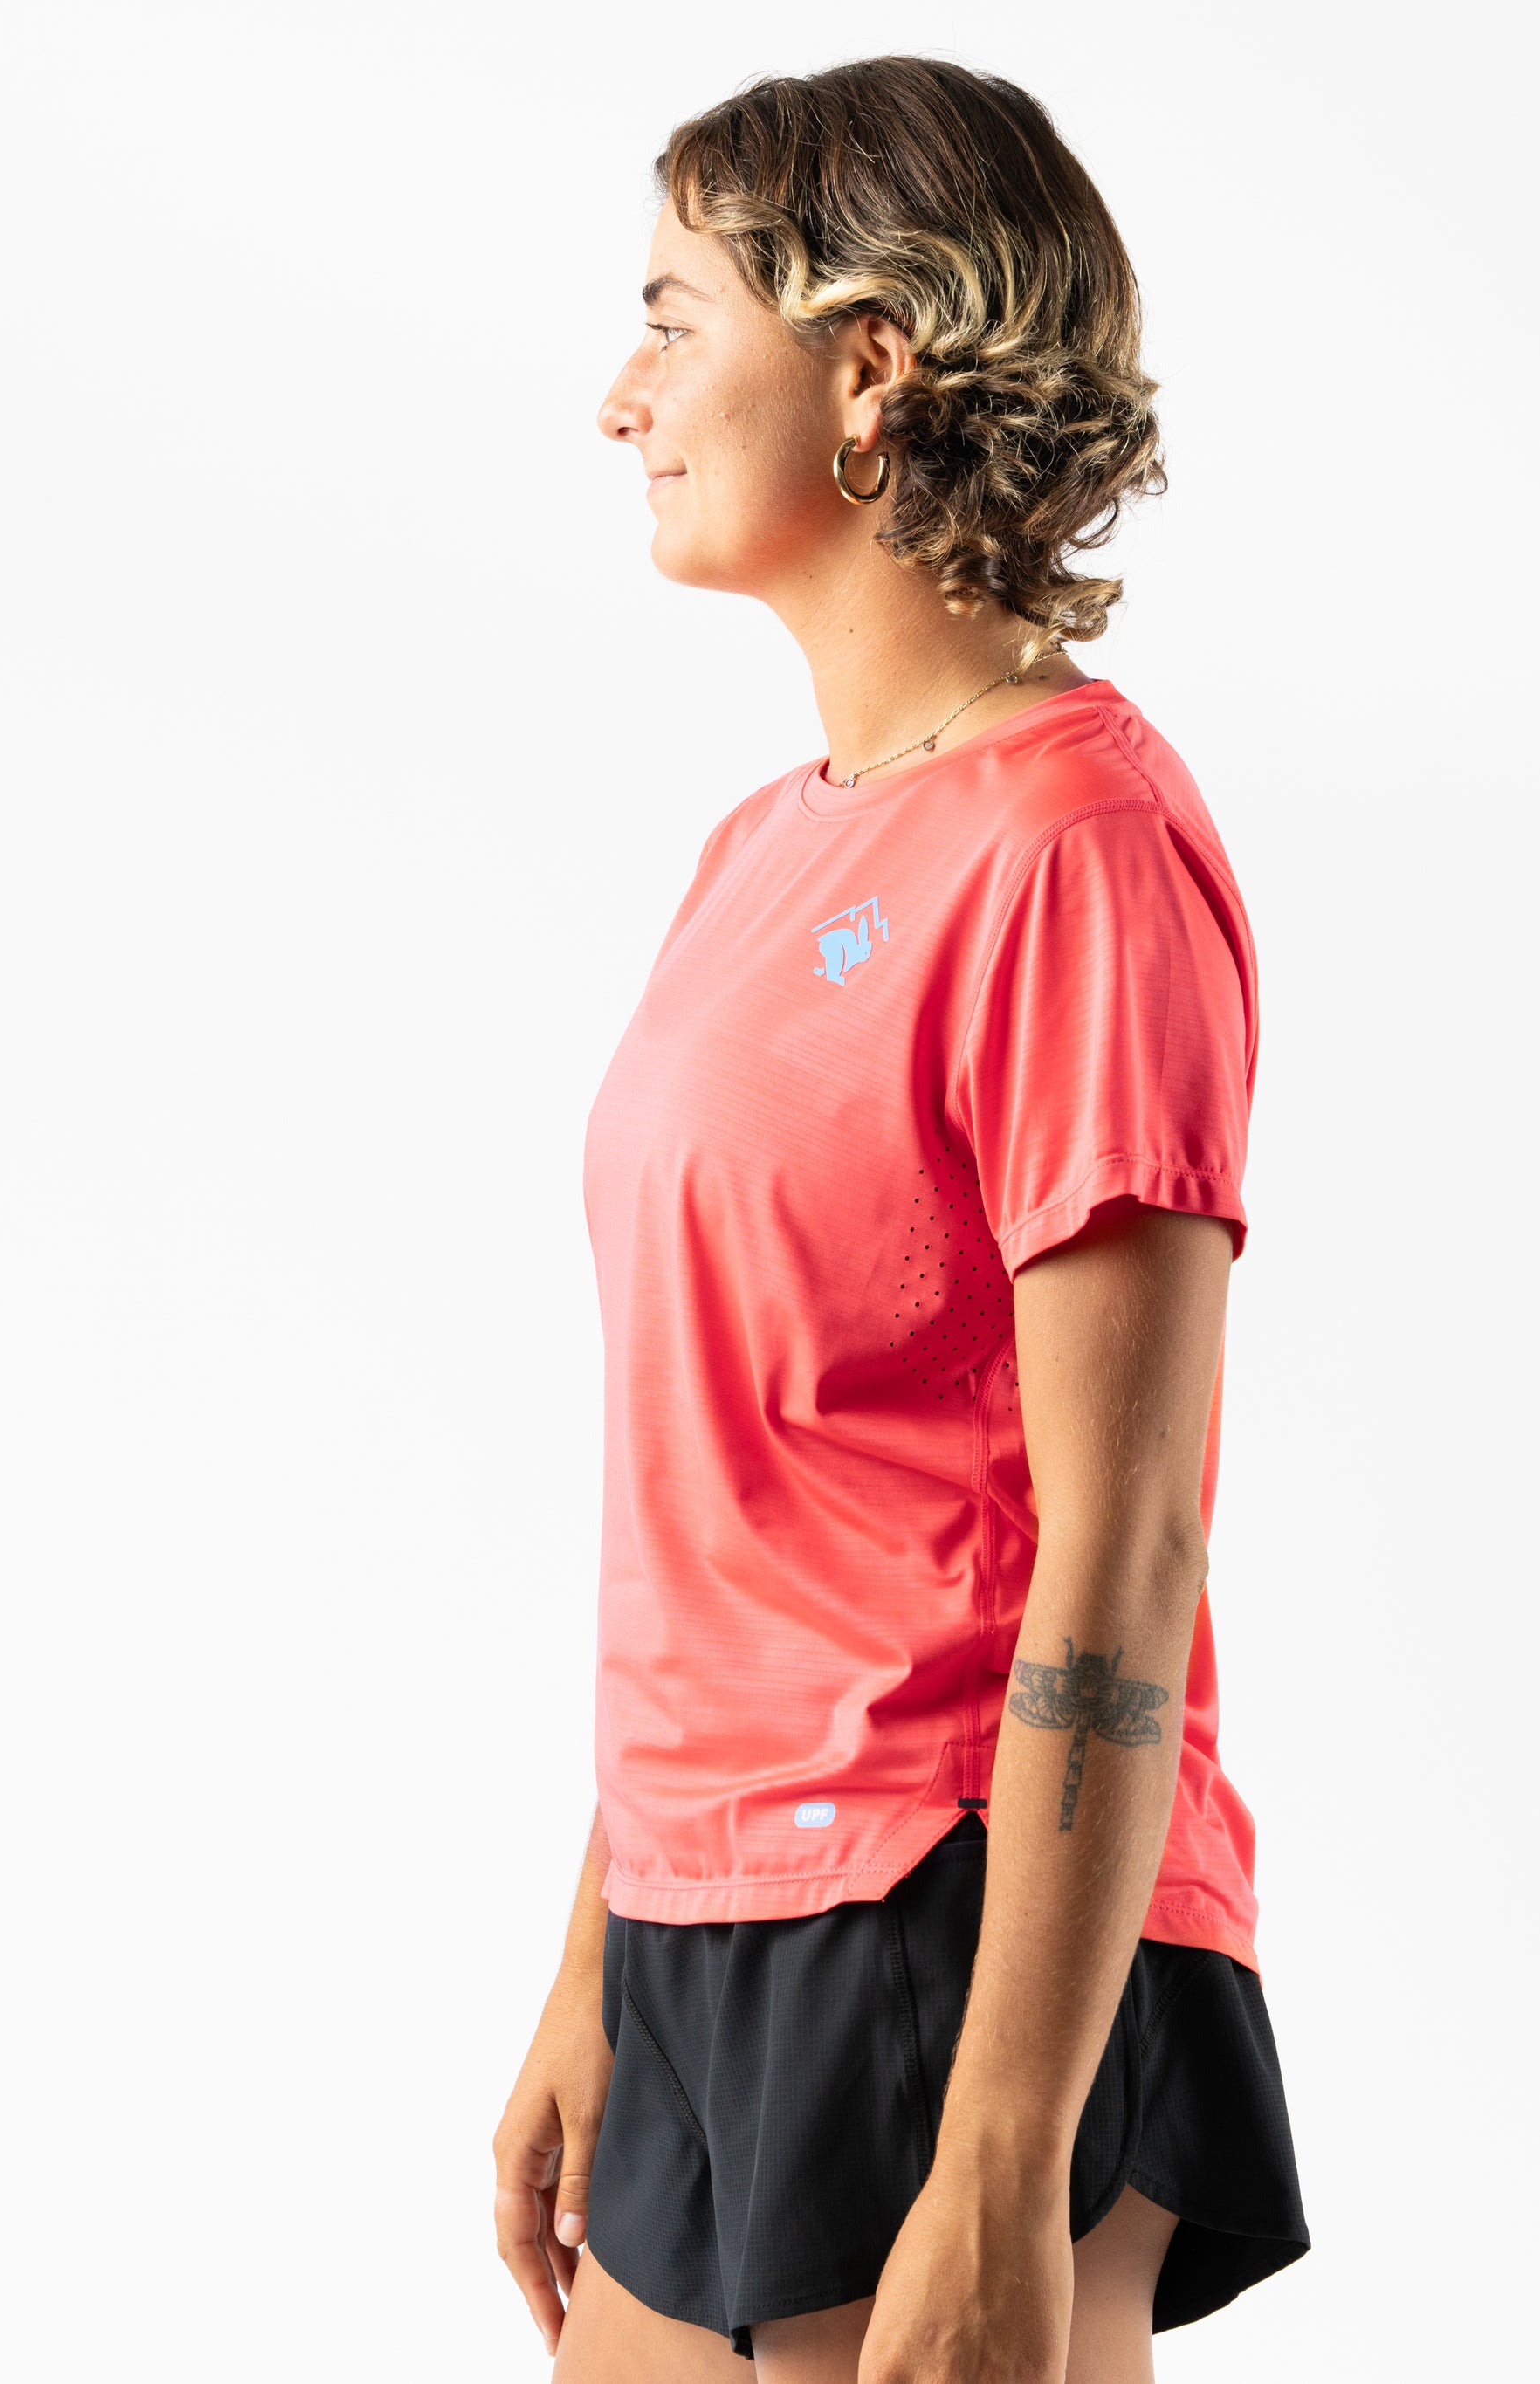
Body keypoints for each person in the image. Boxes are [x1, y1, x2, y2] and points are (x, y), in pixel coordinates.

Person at [493, 56, 1310, 2382]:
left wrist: (1004, 2149)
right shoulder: (763, 852)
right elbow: (730, 1488)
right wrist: (596, 1963)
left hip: (944, 1917)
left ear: (870, 365)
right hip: (706, 1910)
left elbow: (1128, 1539)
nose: (621, 394)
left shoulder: (1078, 851)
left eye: (674, 317)